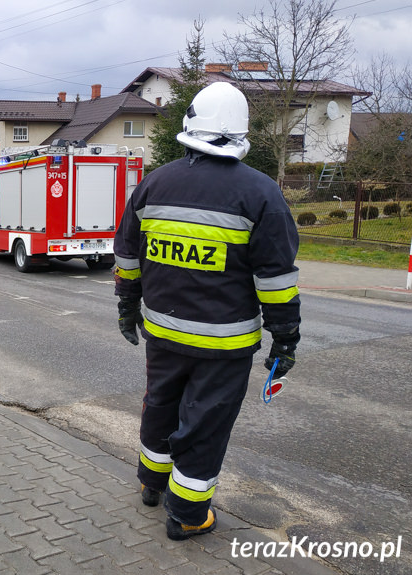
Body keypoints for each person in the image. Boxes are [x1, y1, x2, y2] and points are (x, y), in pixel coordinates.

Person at [113, 82, 301, 541]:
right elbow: (274, 280)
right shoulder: (260, 194)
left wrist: (126, 306)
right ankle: (189, 516)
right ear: (240, 131)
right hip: (223, 343)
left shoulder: (153, 184)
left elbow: (127, 255)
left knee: (160, 406)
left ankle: (151, 485)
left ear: (190, 124)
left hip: (162, 332)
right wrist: (286, 338)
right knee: (204, 424)